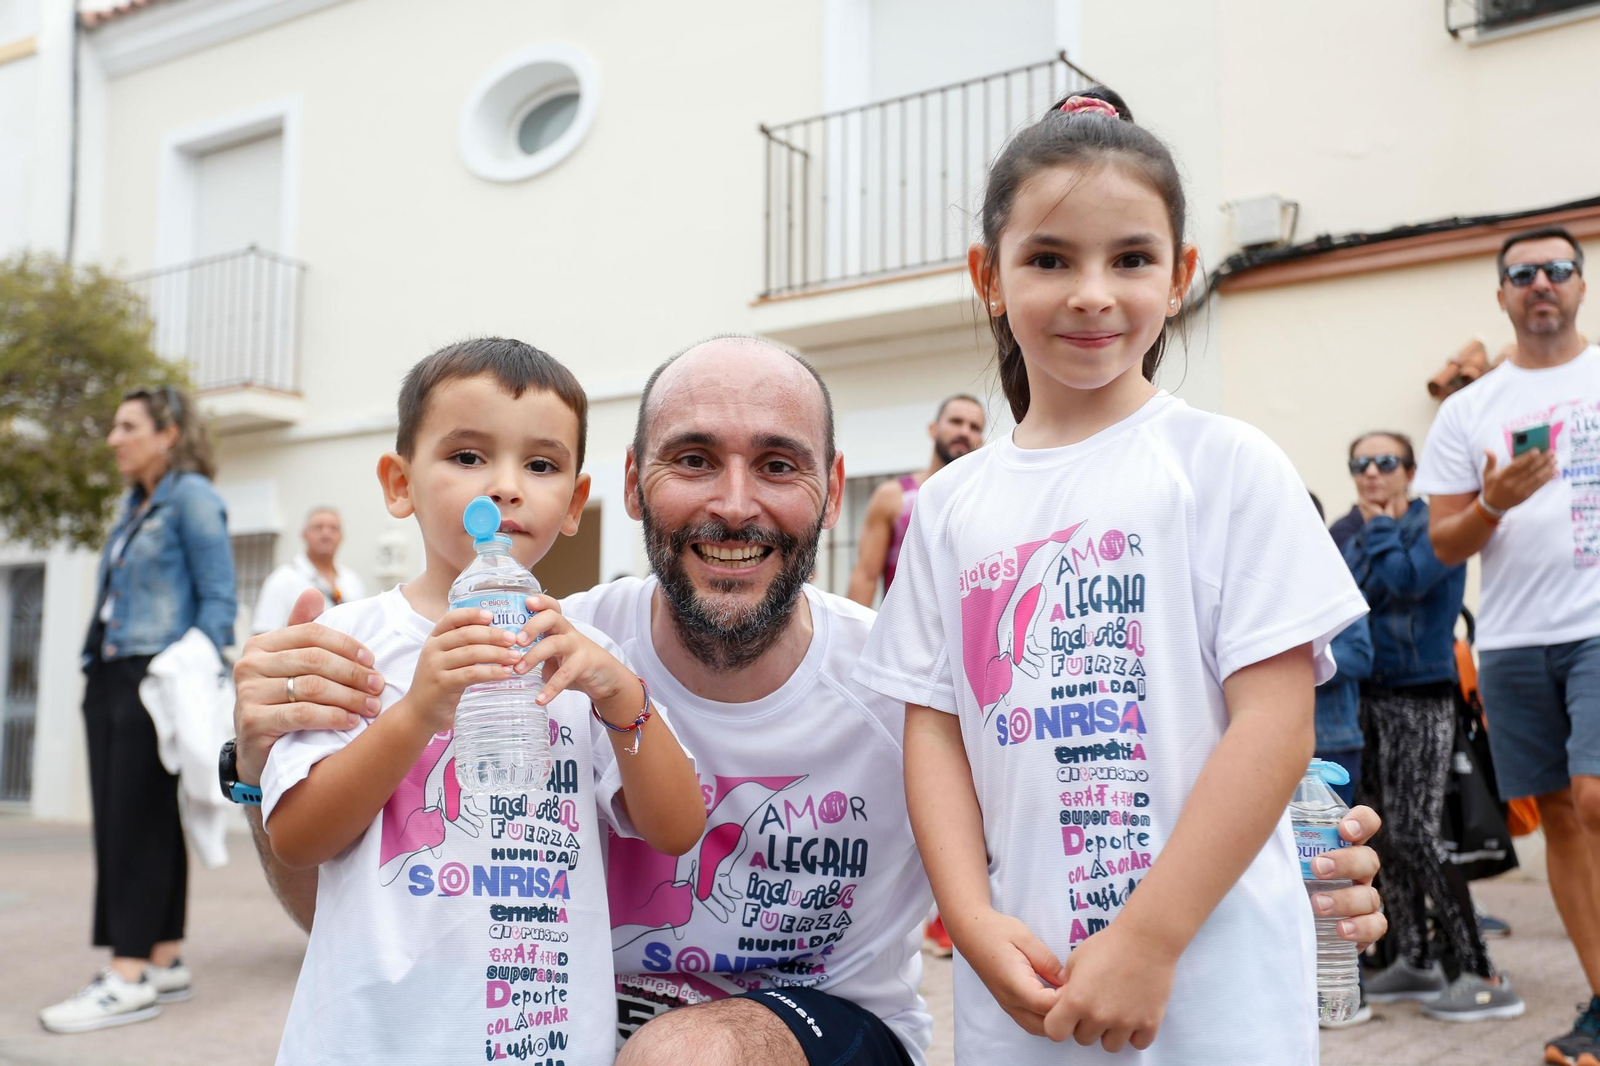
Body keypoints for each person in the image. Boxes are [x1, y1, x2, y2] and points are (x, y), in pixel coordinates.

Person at [226, 336, 1390, 1066]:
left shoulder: (905, 683)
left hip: (814, 1031)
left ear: (832, 489)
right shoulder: (538, 648)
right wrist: (258, 764)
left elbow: (1089, 806)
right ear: (626, 487)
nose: (735, 502)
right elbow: (351, 896)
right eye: (692, 459)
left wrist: (1286, 867)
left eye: (778, 464)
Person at [853, 87, 1374, 1064]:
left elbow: (1275, 720)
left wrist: (1149, 937)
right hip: (1024, 981)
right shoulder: (950, 507)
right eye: (1049, 258)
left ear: (1177, 275)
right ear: (989, 276)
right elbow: (934, 729)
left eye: (1129, 257)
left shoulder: (1225, 464)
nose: (1091, 291)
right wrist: (968, 916)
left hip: (1212, 979)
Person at [259, 338, 704, 1064]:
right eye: (468, 457)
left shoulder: (583, 655)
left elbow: (678, 828)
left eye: (541, 464)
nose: (505, 487)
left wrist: (621, 697)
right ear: (400, 483)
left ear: (573, 504)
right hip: (376, 1039)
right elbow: (300, 838)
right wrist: (416, 714)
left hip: (535, 1034)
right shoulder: (350, 641)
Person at [1414, 224, 1600, 1066]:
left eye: (1558, 269)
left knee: (1596, 799)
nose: (1541, 283)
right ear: (1502, 295)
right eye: (1522, 273)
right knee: (1559, 814)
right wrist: (1491, 503)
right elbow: (1443, 545)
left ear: (1580, 284)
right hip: (1517, 641)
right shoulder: (1469, 411)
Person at [40, 386, 236, 1034]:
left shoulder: (194, 499)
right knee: (141, 820)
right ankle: (164, 956)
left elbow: (218, 603)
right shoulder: (133, 505)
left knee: (133, 822)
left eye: (127, 426)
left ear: (168, 432)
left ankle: (126, 976)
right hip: (111, 673)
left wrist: (177, 671)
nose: (113, 439)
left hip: (151, 677)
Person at [1340, 431, 1523, 1020]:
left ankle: (1480, 969)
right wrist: (1374, 544)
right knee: (1383, 832)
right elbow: (1344, 599)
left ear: (1410, 471)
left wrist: (1378, 533)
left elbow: (1410, 580)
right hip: (1368, 696)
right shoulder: (1353, 527)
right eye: (1360, 463)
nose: (1371, 472)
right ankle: (1415, 960)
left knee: (1416, 830)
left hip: (1422, 695)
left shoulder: (1435, 524)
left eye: (1385, 461)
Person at [846, 395, 986, 607]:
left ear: (981, 441)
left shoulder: (983, 501)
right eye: (956, 422)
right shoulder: (894, 496)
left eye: (974, 427)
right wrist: (854, 638)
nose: (964, 432)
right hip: (903, 635)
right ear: (933, 429)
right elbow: (866, 576)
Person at [1309, 492, 1373, 808]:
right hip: (1265, 741)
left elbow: (1361, 657)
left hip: (1330, 744)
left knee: (1328, 850)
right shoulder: (1246, 587)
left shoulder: (1337, 586)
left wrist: (1292, 665)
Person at [251, 506, 367, 633]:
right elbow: (263, 634)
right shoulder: (281, 579)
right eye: (318, 527)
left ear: (342, 536)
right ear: (304, 535)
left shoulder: (352, 580)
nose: (326, 534)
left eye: (334, 528)